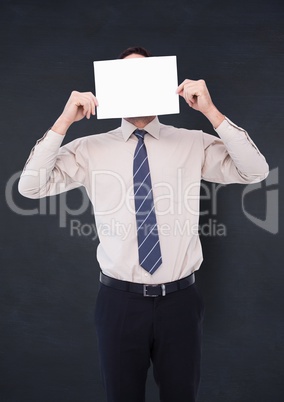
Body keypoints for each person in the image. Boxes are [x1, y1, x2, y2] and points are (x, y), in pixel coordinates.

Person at [18, 46, 269, 402]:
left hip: (180, 302)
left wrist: (211, 112)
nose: (135, 87)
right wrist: (63, 122)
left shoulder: (192, 142)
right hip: (119, 302)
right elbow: (29, 187)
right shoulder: (89, 149)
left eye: (144, 77)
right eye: (125, 79)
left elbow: (255, 170)